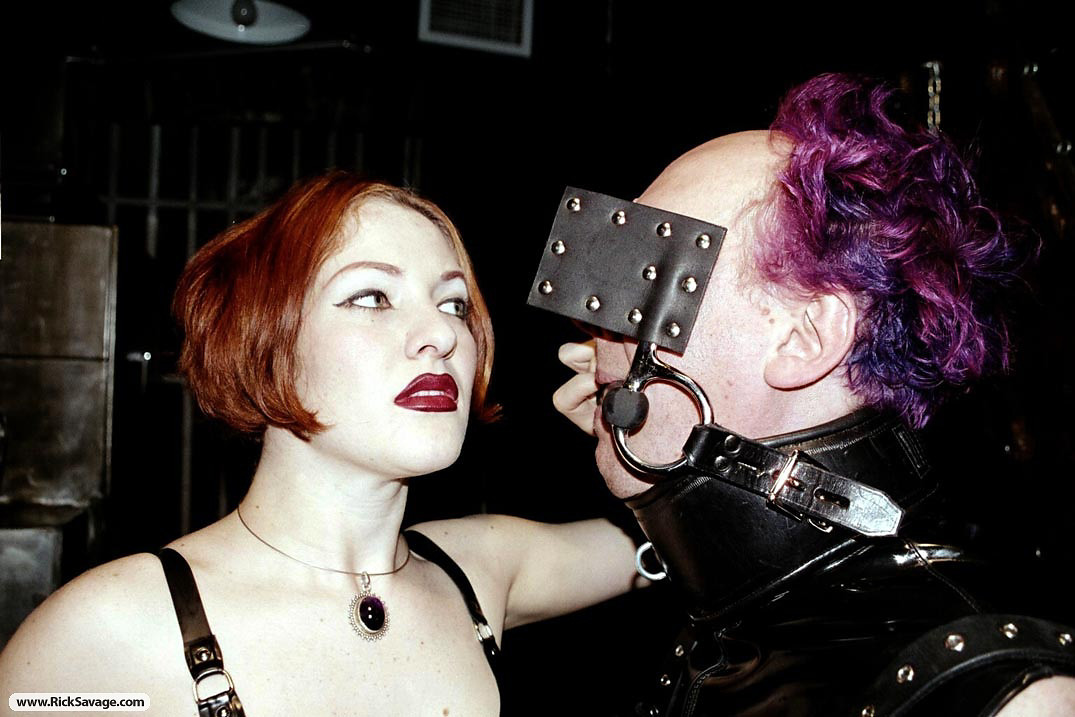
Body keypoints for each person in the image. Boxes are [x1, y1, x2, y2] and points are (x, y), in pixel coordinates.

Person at [0, 172, 641, 715]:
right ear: (262, 340)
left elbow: (671, 548)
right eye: (372, 296)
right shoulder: (103, 636)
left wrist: (647, 434)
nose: (441, 335)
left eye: (452, 304)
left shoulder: (480, 569)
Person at [546, 73, 1075, 716]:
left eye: (650, 280)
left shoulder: (995, 695)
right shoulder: (726, 629)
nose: (598, 329)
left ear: (803, 337)